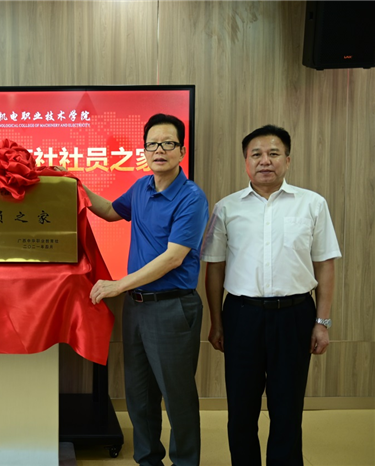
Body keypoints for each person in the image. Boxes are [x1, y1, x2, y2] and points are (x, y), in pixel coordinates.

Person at [202, 125, 341, 465]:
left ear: (287, 160)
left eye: (273, 153)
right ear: (246, 162)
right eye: (257, 154)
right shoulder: (226, 208)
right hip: (242, 316)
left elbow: (325, 265)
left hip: (295, 315)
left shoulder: (312, 204)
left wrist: (322, 322)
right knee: (241, 409)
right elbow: (214, 269)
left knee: (288, 408)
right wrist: (217, 322)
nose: (265, 161)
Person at [84, 113, 209, 466]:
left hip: (172, 307)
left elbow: (173, 258)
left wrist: (118, 285)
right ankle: (148, 459)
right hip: (137, 307)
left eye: (168, 143)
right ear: (144, 150)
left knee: (177, 397)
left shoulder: (191, 198)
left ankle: (185, 462)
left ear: (181, 151)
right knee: (139, 395)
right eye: (152, 144)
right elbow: (109, 211)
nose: (159, 150)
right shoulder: (141, 187)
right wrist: (73, 185)